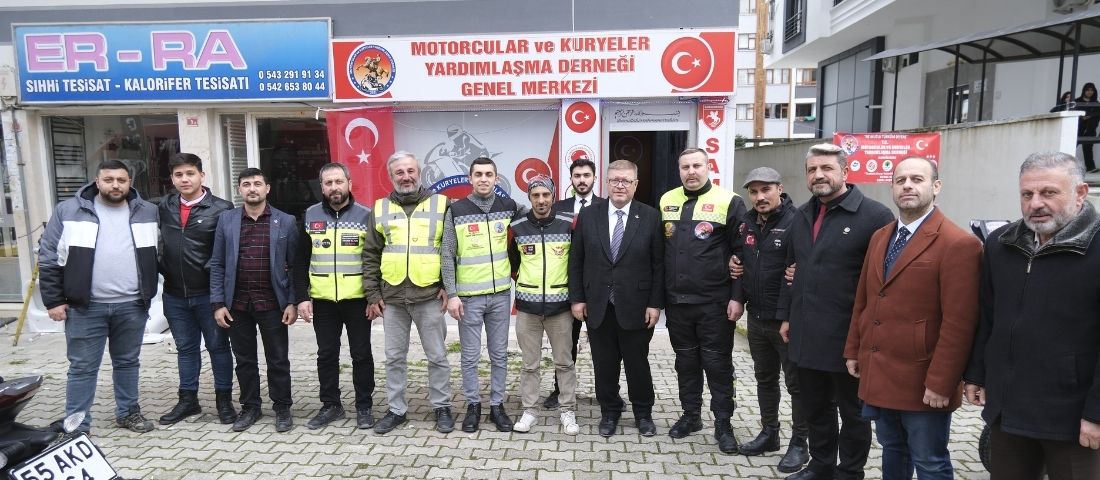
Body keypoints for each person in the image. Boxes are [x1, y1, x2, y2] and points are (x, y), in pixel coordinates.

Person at [964, 151, 1100, 479]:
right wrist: (977, 373)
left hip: (1072, 418)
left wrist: (1096, 414)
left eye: (1049, 193)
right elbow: (988, 315)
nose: (1036, 203)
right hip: (1008, 410)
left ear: (1081, 192)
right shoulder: (1001, 244)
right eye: (1027, 194)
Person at [844, 157, 982, 480]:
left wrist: (942, 382)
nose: (907, 185)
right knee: (893, 449)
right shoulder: (881, 237)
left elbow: (960, 323)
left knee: (930, 461)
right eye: (900, 180)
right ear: (892, 188)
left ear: (936, 186)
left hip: (923, 380)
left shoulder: (959, 244)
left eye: (917, 179)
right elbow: (864, 299)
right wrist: (853, 349)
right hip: (881, 372)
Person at [780, 143, 894, 480]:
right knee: (816, 407)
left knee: (854, 413)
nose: (819, 175)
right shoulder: (801, 215)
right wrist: (787, 315)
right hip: (806, 333)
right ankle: (821, 466)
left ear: (845, 171)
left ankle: (850, 472)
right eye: (812, 169)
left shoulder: (875, 217)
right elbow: (791, 268)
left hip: (850, 337)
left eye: (826, 168)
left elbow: (884, 283)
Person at [38, 159, 160, 433]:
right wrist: (54, 300)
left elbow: (160, 252)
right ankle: (77, 424)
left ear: (130, 183)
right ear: (97, 181)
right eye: (109, 180)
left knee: (128, 362)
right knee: (82, 367)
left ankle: (128, 413)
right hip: (85, 306)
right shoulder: (68, 210)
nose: (115, 185)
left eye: (121, 180)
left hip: (132, 304)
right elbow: (49, 257)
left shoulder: (148, 211)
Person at [659, 147, 746, 453]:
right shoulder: (666, 200)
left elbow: (741, 254)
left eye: (697, 165)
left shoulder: (729, 201)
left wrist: (737, 298)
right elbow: (661, 250)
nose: (691, 171)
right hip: (677, 303)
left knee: (717, 364)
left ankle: (723, 423)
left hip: (714, 302)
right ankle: (691, 416)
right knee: (685, 363)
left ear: (708, 167)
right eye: (685, 167)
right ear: (679, 170)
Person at [568, 159, 665, 438]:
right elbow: (577, 260)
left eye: (626, 181)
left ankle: (643, 414)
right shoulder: (589, 215)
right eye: (614, 180)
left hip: (636, 306)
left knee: (637, 365)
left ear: (635, 184)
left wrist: (654, 304)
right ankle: (609, 413)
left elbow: (658, 265)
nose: (620, 185)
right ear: (606, 183)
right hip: (598, 305)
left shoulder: (650, 216)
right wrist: (577, 299)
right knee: (604, 365)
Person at [363, 151, 454, 435]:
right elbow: (370, 253)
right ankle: (396, 410)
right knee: (394, 358)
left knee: (437, 356)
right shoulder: (380, 208)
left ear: (419, 172)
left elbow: (452, 251)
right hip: (392, 299)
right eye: (399, 172)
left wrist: (448, 287)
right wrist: (372, 294)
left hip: (429, 296)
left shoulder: (442, 204)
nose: (406, 177)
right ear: (391, 177)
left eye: (410, 171)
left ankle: (442, 407)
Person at [209, 168, 299, 433]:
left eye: (257, 183)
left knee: (278, 359)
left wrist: (292, 301)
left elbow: (295, 265)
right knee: (244, 360)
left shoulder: (286, 221)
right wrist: (218, 303)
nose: (252, 188)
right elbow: (217, 263)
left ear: (267, 188)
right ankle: (250, 407)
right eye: (246, 184)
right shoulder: (227, 220)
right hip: (237, 304)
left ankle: (282, 407)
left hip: (273, 303)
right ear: (239, 189)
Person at [734, 167, 810, 473]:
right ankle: (770, 433)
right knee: (764, 379)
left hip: (786, 323)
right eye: (753, 192)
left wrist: (785, 317)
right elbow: (741, 262)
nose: (759, 197)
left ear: (780, 188)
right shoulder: (747, 223)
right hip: (756, 318)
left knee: (797, 385)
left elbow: (797, 272)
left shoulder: (797, 221)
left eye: (765, 189)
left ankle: (800, 443)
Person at [442, 156, 525, 433]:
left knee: (499, 355)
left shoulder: (509, 206)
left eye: (489, 174)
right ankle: (473, 406)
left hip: (500, 295)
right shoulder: (456, 210)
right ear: (470, 178)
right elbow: (447, 254)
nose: (483, 179)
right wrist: (452, 294)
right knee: (469, 357)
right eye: (478, 174)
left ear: (496, 179)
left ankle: (497, 406)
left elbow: (538, 214)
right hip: (468, 298)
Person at [293, 163, 376, 430]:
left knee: (361, 354)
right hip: (323, 300)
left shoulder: (366, 215)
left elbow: (375, 260)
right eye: (328, 183)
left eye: (338, 182)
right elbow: (300, 259)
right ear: (322, 187)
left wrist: (374, 297)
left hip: (358, 299)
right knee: (326, 355)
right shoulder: (310, 215)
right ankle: (331, 405)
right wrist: (302, 297)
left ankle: (364, 406)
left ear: (349, 183)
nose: (334, 187)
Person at [157, 153, 236, 426]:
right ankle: (188, 400)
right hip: (174, 294)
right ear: (172, 179)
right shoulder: (164, 206)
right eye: (178, 175)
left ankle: (224, 400)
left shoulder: (222, 208)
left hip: (209, 295)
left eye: (190, 173)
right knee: (186, 349)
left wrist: (216, 286)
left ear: (201, 175)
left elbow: (227, 251)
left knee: (218, 347)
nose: (185, 179)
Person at [508, 175, 580, 434]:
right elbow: (513, 264)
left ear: (553, 197)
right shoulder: (517, 227)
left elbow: (577, 263)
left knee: (564, 363)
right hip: (528, 308)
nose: (541, 200)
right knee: (530, 365)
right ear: (529, 197)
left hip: (560, 308)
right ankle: (529, 411)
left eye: (546, 195)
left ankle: (567, 410)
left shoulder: (569, 223)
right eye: (536, 195)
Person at [545, 158, 606, 409]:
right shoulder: (557, 208)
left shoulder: (606, 206)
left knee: (603, 346)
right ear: (570, 179)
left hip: (598, 286)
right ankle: (559, 390)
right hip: (566, 286)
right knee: (565, 345)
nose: (582, 180)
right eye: (577, 176)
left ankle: (607, 394)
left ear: (594, 178)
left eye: (586, 175)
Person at [1076, 83, 1099, 173]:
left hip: (1090, 129)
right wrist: (1082, 118)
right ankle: (1063, 165)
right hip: (1078, 128)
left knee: (1088, 148)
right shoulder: (1077, 101)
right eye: (1088, 90)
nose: (1090, 92)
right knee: (1071, 146)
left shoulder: (1096, 103)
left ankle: (1090, 167)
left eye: (1092, 90)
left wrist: (1091, 117)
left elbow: (1097, 116)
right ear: (1084, 91)